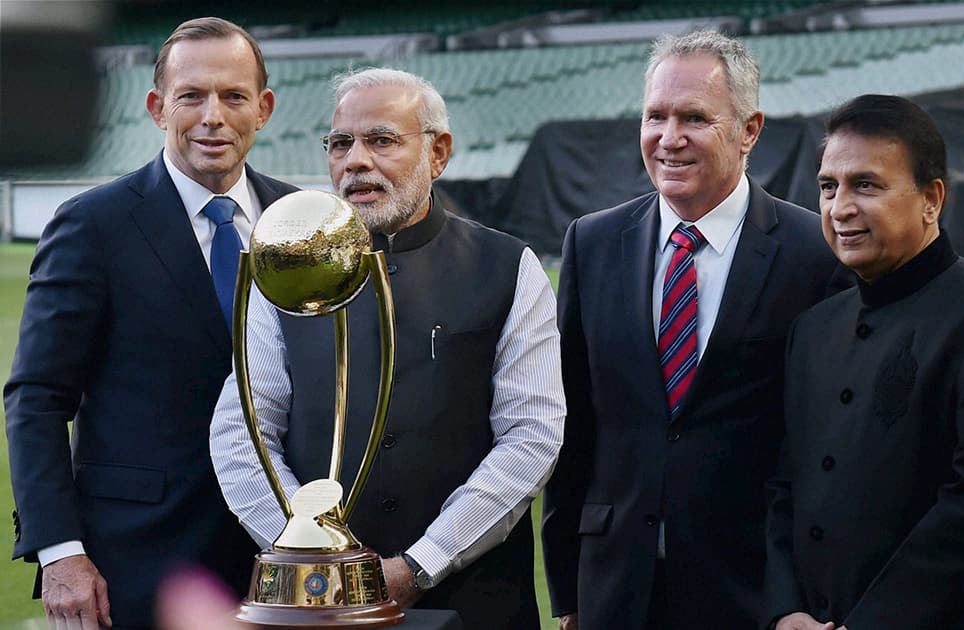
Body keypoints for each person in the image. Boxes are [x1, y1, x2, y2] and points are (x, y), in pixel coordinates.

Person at [210, 67, 565, 630]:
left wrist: (420, 564)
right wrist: (311, 554)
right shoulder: (279, 269)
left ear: (439, 152)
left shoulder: (509, 267)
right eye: (340, 143)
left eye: (381, 140)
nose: (355, 160)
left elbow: (531, 435)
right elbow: (241, 432)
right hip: (316, 605)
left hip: (475, 603)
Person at [541, 30, 850, 630]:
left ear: (749, 130)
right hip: (615, 589)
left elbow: (825, 447)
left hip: (752, 590)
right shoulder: (593, 242)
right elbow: (574, 427)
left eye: (694, 118)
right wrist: (568, 591)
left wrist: (808, 598)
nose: (669, 138)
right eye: (654, 116)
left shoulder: (815, 253)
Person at [4, 17, 296, 630]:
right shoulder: (92, 225)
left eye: (234, 95)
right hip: (138, 561)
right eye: (191, 96)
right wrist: (60, 553)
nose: (212, 115)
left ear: (263, 108)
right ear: (157, 107)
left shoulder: (302, 224)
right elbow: (36, 398)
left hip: (286, 560)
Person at [763, 94, 964, 630]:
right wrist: (785, 610)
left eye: (865, 184)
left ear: (931, 199)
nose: (839, 207)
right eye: (828, 186)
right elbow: (784, 488)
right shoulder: (812, 329)